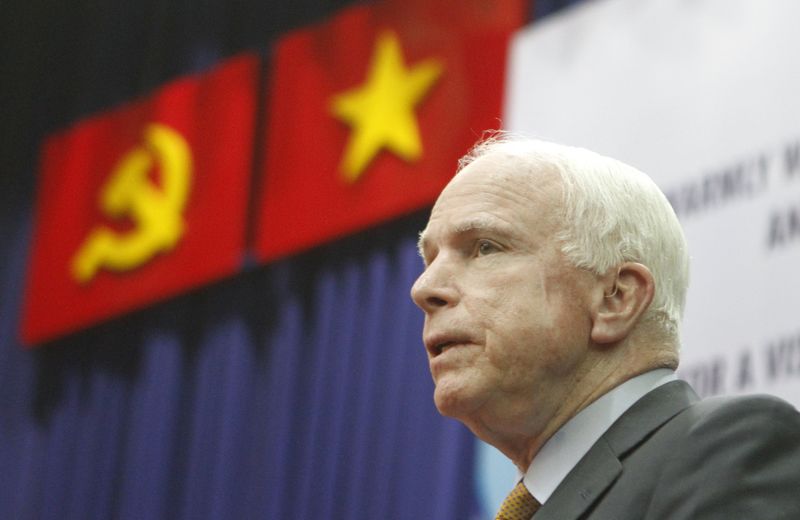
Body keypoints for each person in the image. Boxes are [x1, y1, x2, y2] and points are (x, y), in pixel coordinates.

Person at [410, 133, 800, 520]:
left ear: (616, 298)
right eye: (430, 259)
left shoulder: (727, 453)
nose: (424, 288)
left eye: (485, 247)